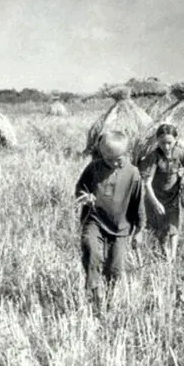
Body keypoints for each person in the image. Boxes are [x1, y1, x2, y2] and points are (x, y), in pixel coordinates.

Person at [75, 131, 145, 314]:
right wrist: (85, 197)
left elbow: (138, 203)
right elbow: (80, 189)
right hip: (95, 220)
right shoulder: (93, 168)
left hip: (121, 226)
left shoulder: (133, 173)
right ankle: (95, 293)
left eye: (119, 158)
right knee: (90, 249)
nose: (115, 163)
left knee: (115, 267)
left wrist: (140, 229)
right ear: (103, 155)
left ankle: (109, 297)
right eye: (110, 159)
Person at [139, 124, 184, 263]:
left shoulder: (180, 153)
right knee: (160, 229)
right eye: (163, 143)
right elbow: (147, 183)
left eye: (169, 142)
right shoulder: (154, 156)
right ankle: (166, 254)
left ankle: (173, 257)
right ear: (157, 141)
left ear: (176, 139)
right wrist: (155, 203)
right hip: (155, 197)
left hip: (172, 196)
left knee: (173, 226)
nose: (166, 147)